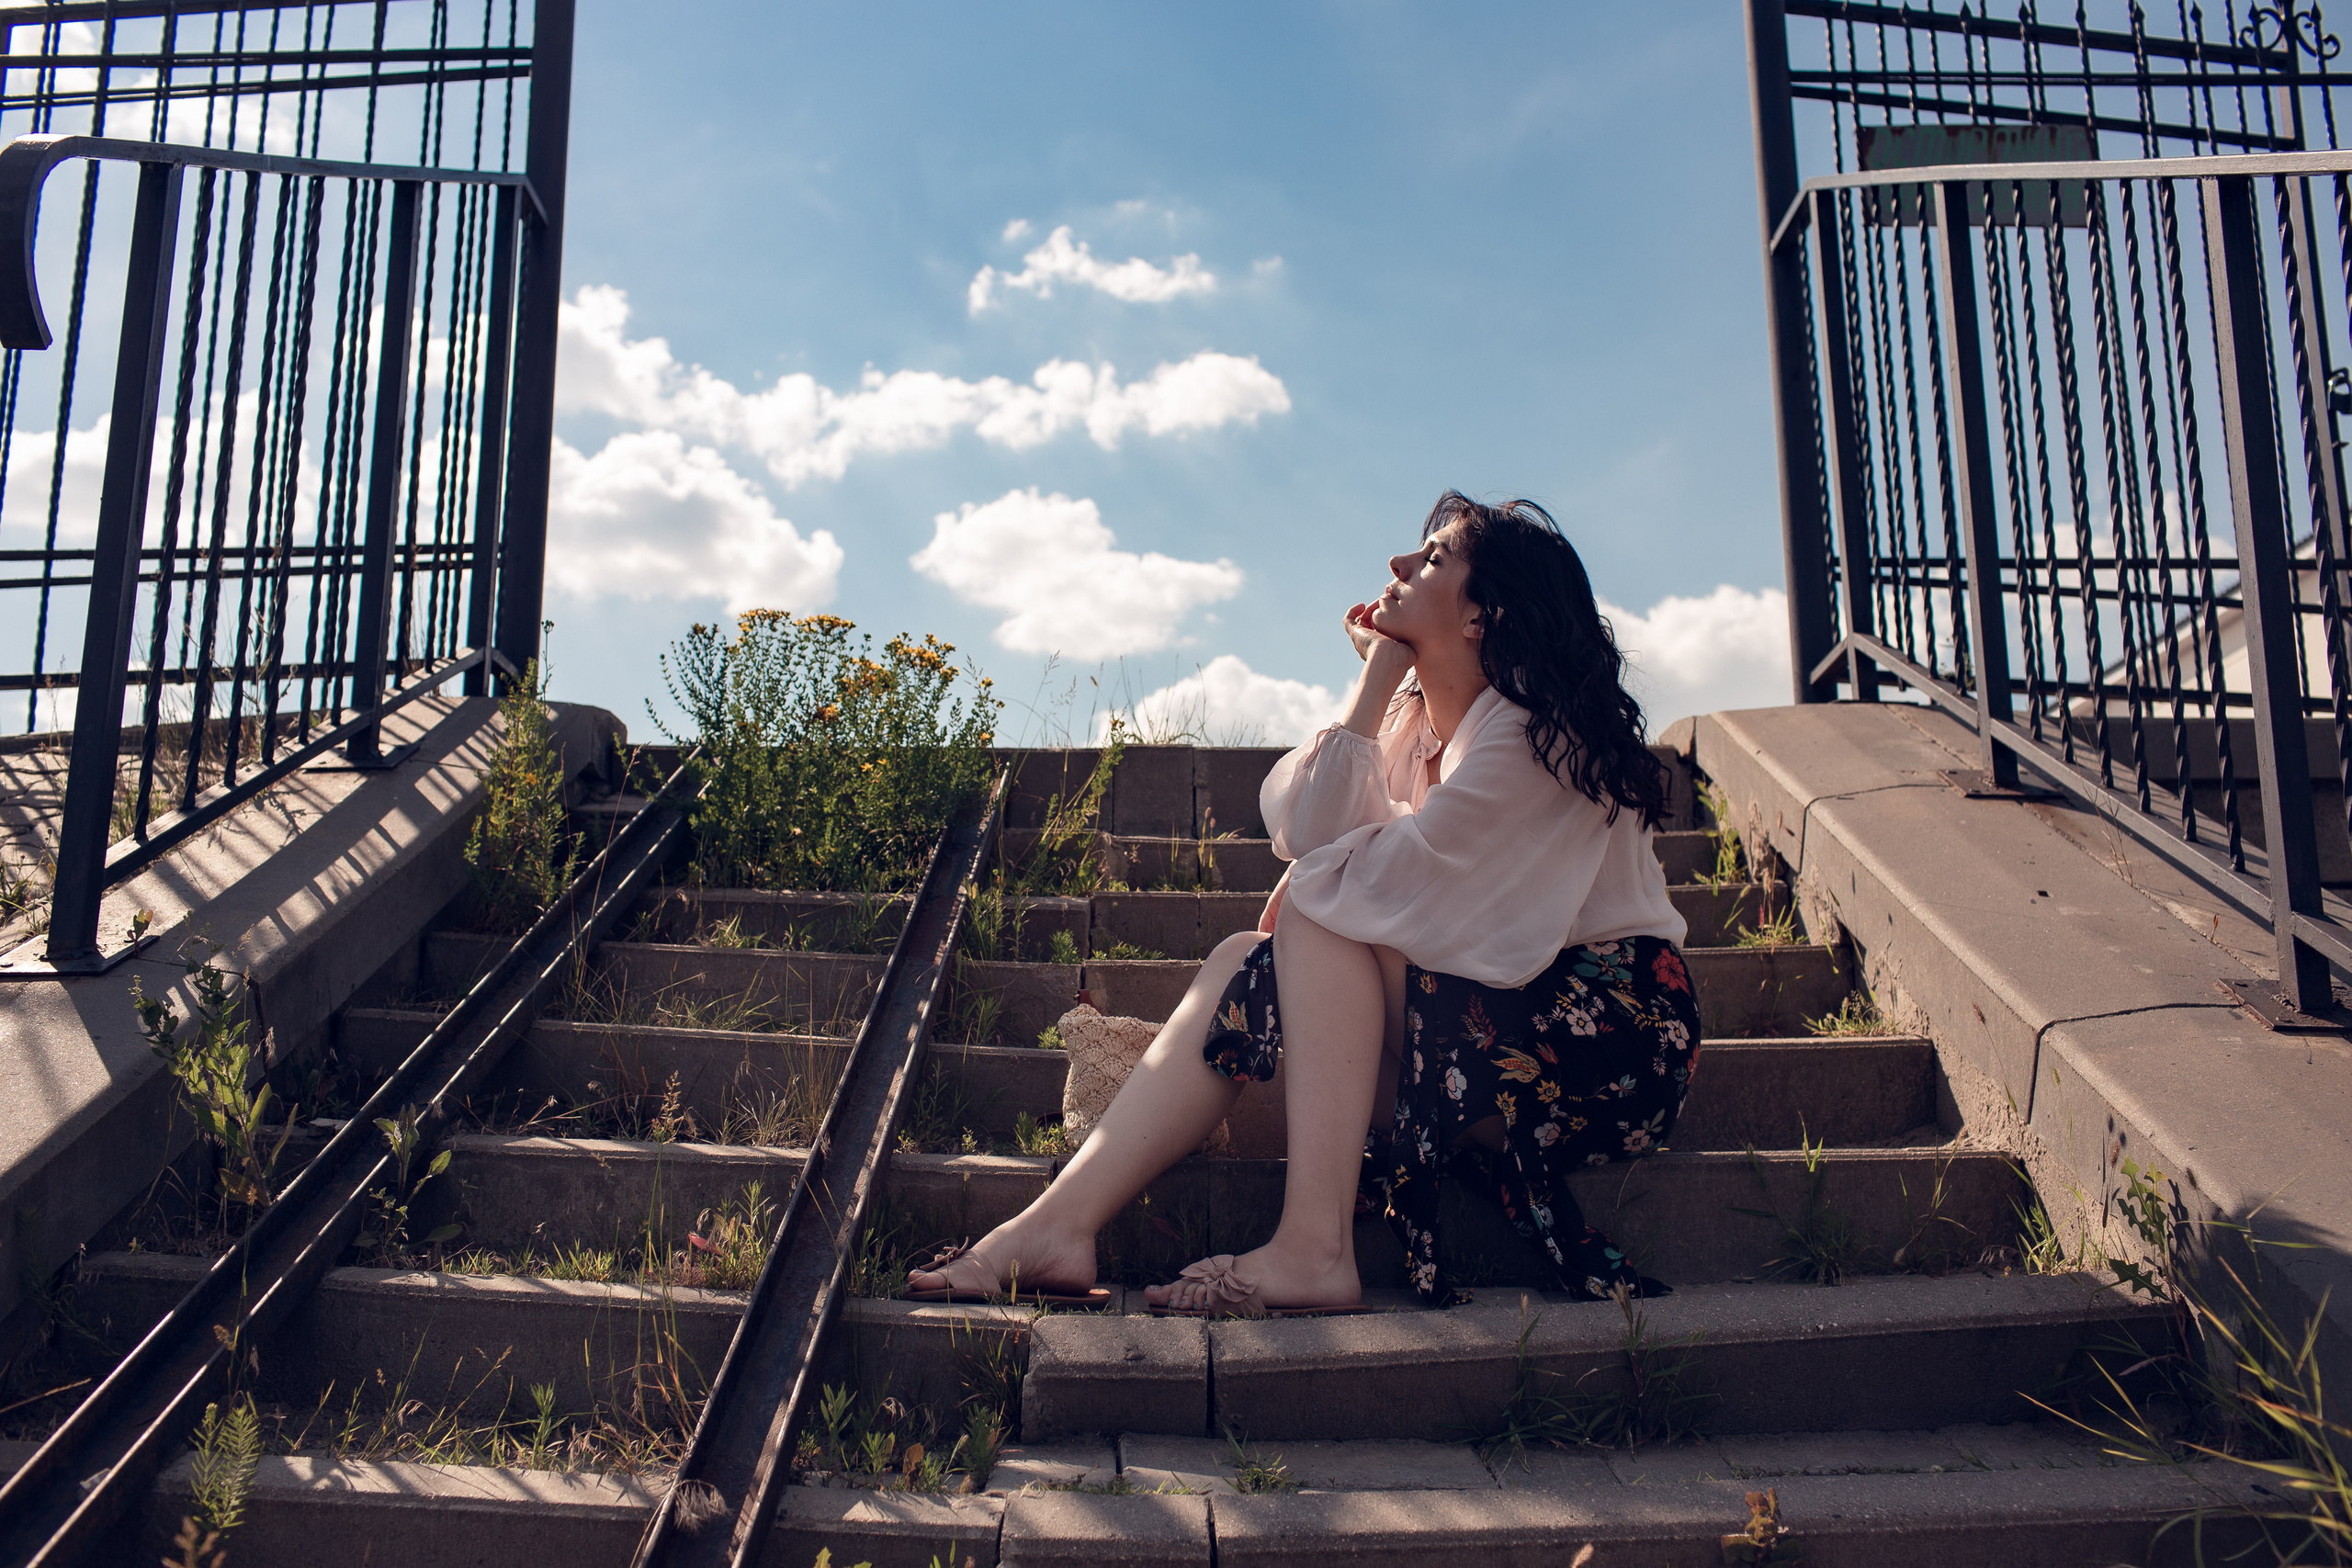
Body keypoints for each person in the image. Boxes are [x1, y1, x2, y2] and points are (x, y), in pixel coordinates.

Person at [907, 491, 1697, 1315]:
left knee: (1320, 917)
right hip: (1489, 1034)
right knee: (1242, 961)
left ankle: (1314, 1250)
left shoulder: (1541, 740)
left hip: (1608, 1042)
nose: (1397, 567)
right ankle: (1058, 1225)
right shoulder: (1418, 725)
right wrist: (1383, 673)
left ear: (1481, 617)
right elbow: (1309, 828)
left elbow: (1394, 890)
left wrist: (1325, 878)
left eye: (1431, 560)